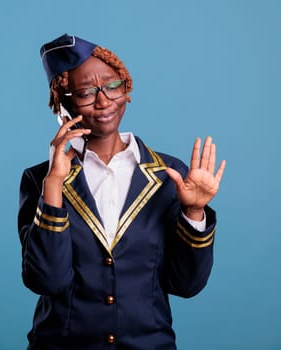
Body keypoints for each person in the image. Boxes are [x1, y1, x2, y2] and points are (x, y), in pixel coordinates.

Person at [17, 34, 226, 350]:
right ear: (63, 103)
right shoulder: (40, 180)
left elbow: (186, 285)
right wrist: (54, 185)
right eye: (86, 92)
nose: (103, 101)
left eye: (112, 86)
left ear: (126, 88)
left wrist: (194, 213)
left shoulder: (170, 174)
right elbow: (47, 280)